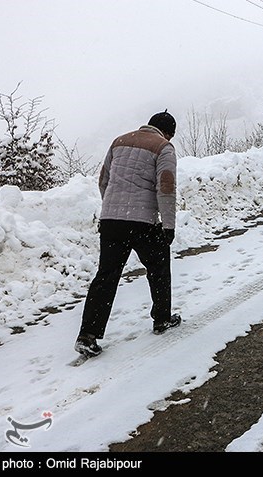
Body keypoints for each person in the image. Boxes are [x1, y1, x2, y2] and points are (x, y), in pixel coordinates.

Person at [74, 111, 181, 357]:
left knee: (106, 276)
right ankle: (162, 319)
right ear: (168, 133)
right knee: (159, 267)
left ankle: (87, 335)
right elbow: (166, 187)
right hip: (142, 221)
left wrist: (114, 209)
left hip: (111, 221)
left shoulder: (119, 141)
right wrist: (168, 225)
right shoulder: (164, 147)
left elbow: (103, 181)